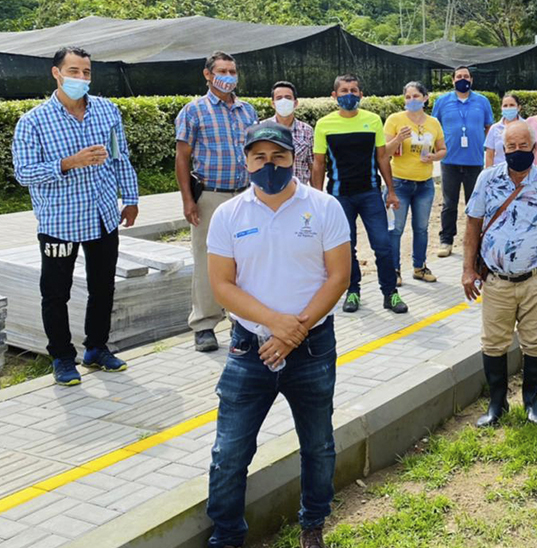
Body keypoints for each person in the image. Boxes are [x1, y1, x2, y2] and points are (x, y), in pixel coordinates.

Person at [206, 122, 351, 548]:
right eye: (260, 158)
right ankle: (228, 534)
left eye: (279, 157)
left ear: (295, 159)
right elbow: (223, 285)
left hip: (313, 348)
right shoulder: (229, 215)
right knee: (229, 453)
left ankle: (313, 525)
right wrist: (276, 323)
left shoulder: (324, 208)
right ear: (246, 161)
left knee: (318, 446)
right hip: (249, 349)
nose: (270, 166)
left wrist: (296, 329)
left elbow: (339, 276)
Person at [12, 46, 139, 386]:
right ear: (56, 73)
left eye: (86, 72)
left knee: (103, 288)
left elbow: (119, 157)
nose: (81, 78)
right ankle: (62, 358)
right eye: (73, 71)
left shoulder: (107, 112)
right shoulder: (33, 122)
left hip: (102, 217)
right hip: (60, 223)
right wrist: (68, 163)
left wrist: (130, 198)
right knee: (56, 293)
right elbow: (23, 173)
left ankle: (96, 348)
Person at [462, 121, 537, 427]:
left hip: (536, 280)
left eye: (523, 146)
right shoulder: (487, 180)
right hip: (496, 281)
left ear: (535, 149)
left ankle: (532, 400)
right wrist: (467, 269)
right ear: (502, 149)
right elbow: (472, 224)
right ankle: (497, 404)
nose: (516, 151)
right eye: (510, 147)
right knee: (494, 344)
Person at [176, 51, 258, 353]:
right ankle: (204, 324)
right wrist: (188, 200)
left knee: (246, 258)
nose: (228, 76)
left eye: (232, 71)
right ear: (208, 75)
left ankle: (242, 317)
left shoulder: (247, 111)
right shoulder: (194, 111)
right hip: (211, 195)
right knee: (207, 258)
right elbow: (182, 157)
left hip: (244, 194)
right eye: (222, 71)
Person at [312, 73, 408, 314]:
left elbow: (382, 157)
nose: (349, 95)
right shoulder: (324, 124)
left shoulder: (373, 119)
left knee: (383, 245)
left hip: (370, 194)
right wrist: (316, 198)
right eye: (344, 91)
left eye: (354, 90)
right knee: (347, 246)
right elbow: (319, 163)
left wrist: (391, 191)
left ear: (361, 94)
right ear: (334, 96)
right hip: (339, 196)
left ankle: (390, 293)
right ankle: (352, 290)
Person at [384, 81, 447, 286]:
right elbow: (384, 152)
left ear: (425, 98)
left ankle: (419, 267)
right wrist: (398, 139)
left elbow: (443, 149)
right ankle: (394, 270)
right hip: (398, 183)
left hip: (424, 185)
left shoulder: (433, 123)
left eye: (416, 96)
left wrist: (434, 157)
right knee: (396, 228)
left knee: (421, 228)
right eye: (408, 97)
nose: (412, 100)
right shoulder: (395, 120)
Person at [432, 65, 495, 258]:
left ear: (472, 80)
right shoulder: (442, 101)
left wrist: (486, 152)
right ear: (452, 80)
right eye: (459, 76)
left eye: (466, 76)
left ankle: (476, 240)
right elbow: (434, 127)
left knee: (475, 203)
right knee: (449, 203)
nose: (462, 79)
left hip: (475, 161)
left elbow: (489, 128)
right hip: (450, 160)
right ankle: (446, 240)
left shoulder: (482, 101)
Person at [264, 81, 314, 185]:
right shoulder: (262, 129)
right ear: (273, 103)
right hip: (271, 193)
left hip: (300, 193)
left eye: (288, 97)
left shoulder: (307, 131)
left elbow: (312, 165)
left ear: (295, 103)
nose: (283, 101)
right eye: (279, 98)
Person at [484, 93, 524, 168]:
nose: (508, 108)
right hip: (499, 172)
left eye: (512, 105)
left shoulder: (527, 126)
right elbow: (489, 154)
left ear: (518, 107)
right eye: (505, 106)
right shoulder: (494, 128)